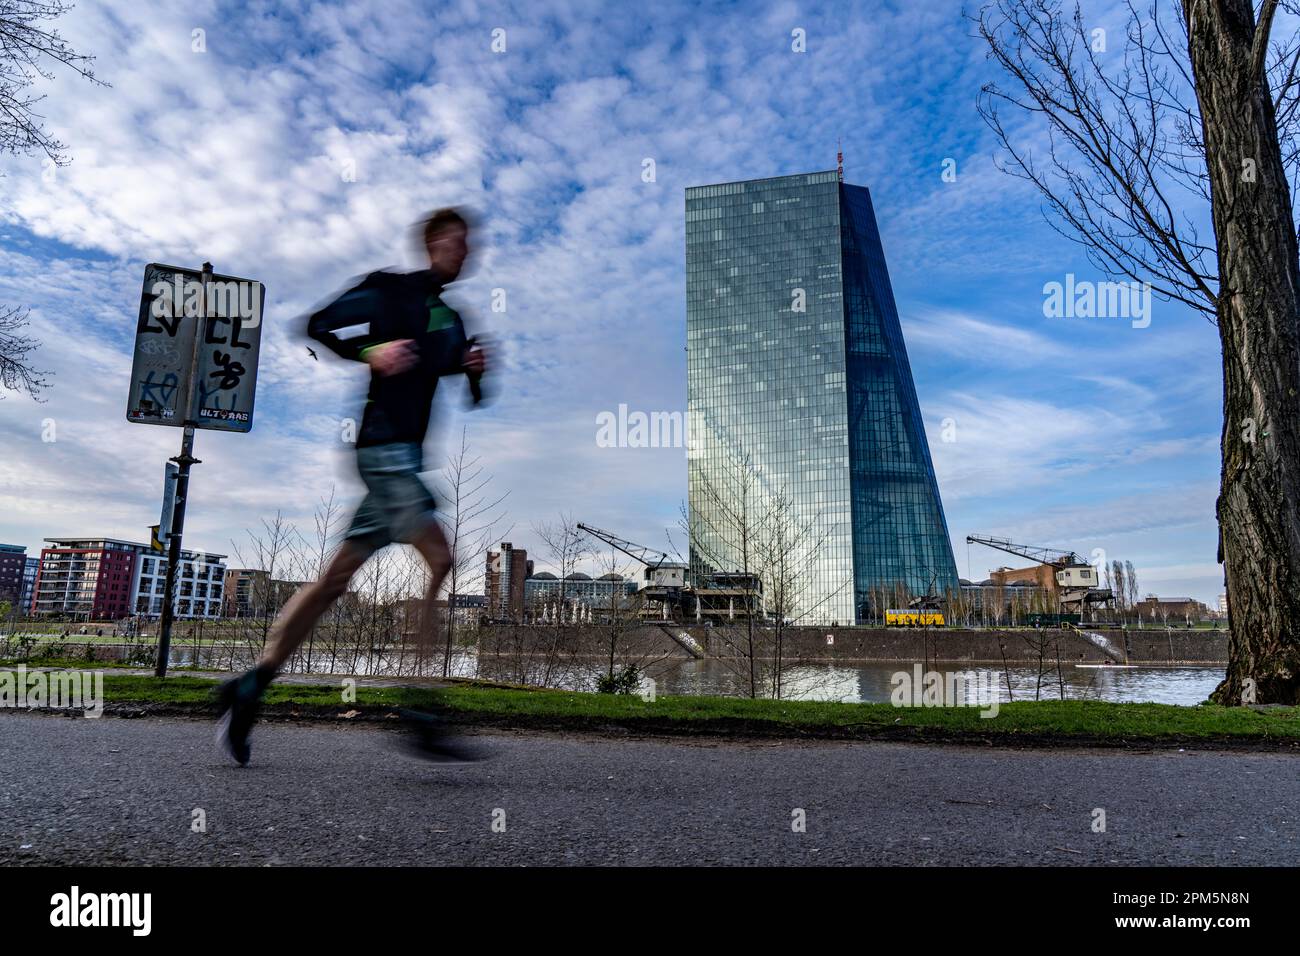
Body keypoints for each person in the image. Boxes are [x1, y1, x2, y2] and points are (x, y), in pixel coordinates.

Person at [215, 207, 488, 766]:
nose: (466, 252)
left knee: (333, 581)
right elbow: (316, 325)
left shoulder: (453, 320)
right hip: (382, 450)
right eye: (456, 242)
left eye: (470, 244)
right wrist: (370, 350)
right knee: (440, 560)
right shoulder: (388, 291)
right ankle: (419, 709)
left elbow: (473, 392)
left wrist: (477, 370)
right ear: (432, 243)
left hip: (401, 458)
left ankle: (251, 687)